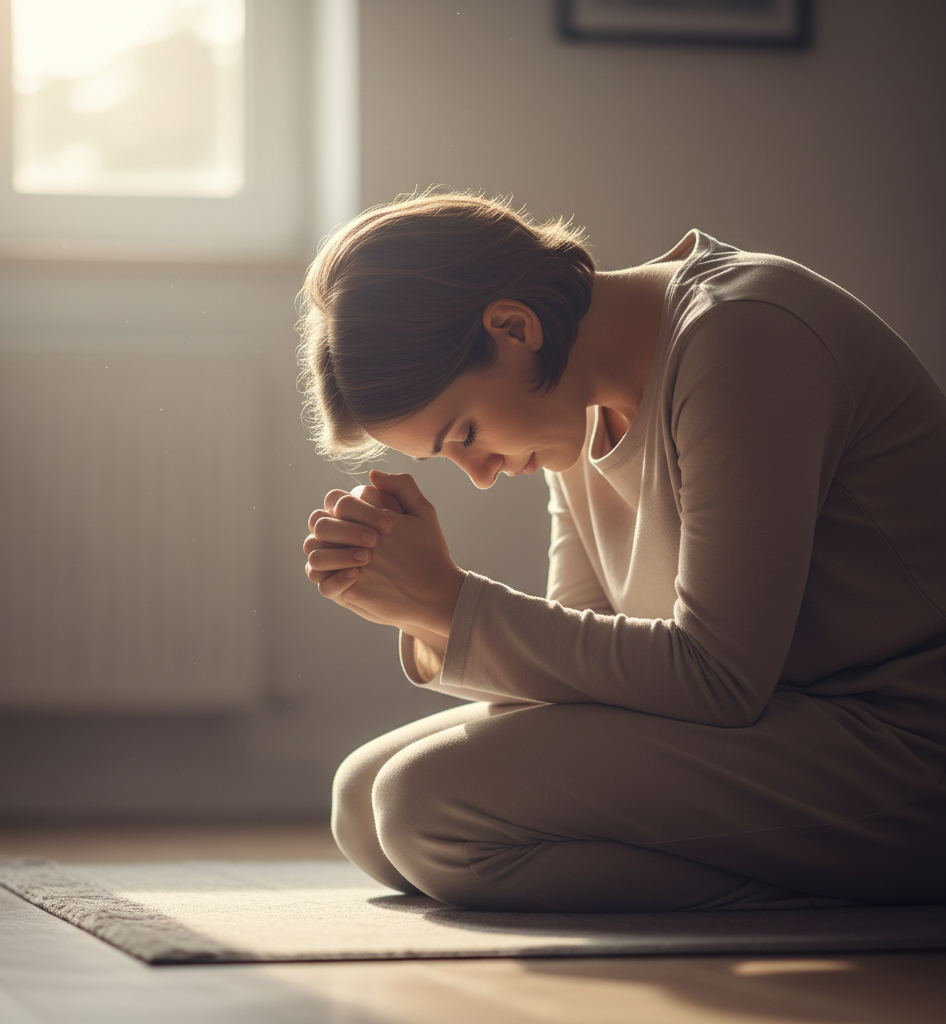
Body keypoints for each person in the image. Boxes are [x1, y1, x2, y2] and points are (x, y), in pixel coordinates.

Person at [297, 192, 946, 913]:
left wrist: (451, 604)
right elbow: (591, 666)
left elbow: (721, 678)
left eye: (467, 433)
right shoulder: (578, 402)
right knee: (363, 800)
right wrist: (423, 613)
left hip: (899, 741)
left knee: (425, 807)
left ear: (513, 328)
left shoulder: (743, 337)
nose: (479, 475)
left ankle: (824, 900)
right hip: (779, 722)